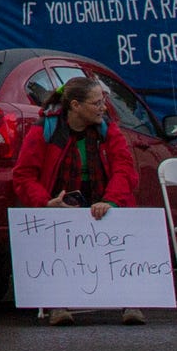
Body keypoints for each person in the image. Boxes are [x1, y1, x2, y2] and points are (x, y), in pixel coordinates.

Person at [10, 74, 146, 325]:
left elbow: (124, 169)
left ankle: (131, 300)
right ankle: (57, 304)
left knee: (121, 221)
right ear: (75, 106)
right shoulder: (45, 129)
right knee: (54, 232)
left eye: (102, 101)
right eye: (96, 103)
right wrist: (45, 203)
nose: (103, 108)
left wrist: (111, 201)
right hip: (60, 203)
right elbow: (23, 175)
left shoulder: (108, 129)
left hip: (102, 198)